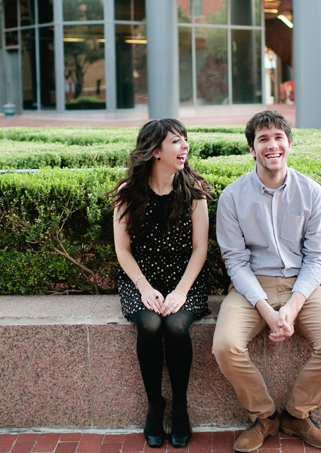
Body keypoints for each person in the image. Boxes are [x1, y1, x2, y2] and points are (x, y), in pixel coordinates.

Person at [212, 111, 321, 451]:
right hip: (250, 287)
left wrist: (292, 306)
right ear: (251, 149)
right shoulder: (233, 196)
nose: (272, 145)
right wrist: (267, 309)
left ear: (288, 143)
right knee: (225, 346)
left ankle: (297, 415)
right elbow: (235, 260)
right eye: (263, 139)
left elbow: (317, 257)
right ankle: (264, 416)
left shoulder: (311, 192)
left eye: (278, 137)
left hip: (303, 284)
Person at [110, 119, 213, 449]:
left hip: (186, 279)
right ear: (155, 151)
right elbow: (123, 251)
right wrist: (143, 286)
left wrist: (181, 291)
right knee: (151, 324)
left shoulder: (194, 191)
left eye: (185, 140)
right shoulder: (128, 193)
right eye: (176, 141)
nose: (185, 146)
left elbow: (200, 249)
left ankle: (180, 406)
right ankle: (155, 404)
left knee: (177, 326)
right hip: (141, 279)